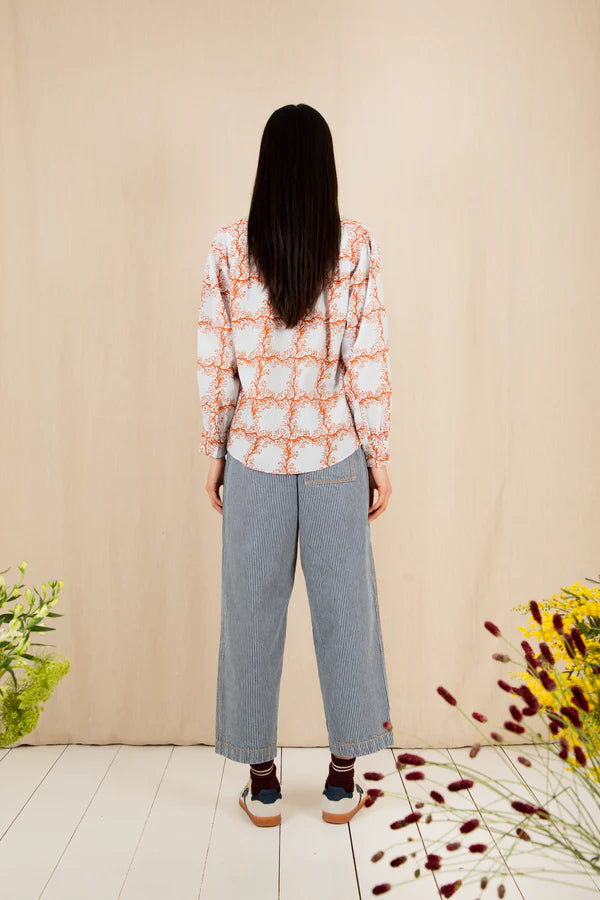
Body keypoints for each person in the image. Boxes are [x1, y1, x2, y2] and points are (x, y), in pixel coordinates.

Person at [196, 103, 394, 828]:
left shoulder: (227, 248)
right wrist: (380, 456)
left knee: (251, 616)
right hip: (336, 454)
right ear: (325, 166)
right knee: (347, 612)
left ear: (266, 166)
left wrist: (213, 453)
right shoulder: (356, 246)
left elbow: (215, 365)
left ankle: (264, 781)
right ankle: (343, 780)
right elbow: (367, 361)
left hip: (252, 455)